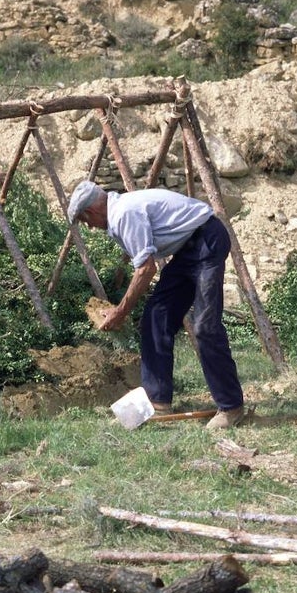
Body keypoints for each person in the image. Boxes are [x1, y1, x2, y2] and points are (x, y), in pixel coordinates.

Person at [66, 180, 246, 429]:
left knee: (205, 327)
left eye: (85, 221)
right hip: (188, 249)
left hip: (207, 240)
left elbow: (145, 269)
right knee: (156, 316)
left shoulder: (123, 214)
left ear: (90, 211)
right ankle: (158, 401)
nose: (90, 227)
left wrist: (120, 312)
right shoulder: (120, 212)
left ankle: (231, 407)